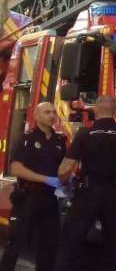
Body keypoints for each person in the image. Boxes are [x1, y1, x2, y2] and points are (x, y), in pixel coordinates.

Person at [55, 94, 116, 271]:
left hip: (88, 193)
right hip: (113, 193)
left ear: (95, 110)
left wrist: (62, 181)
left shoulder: (85, 134)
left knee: (70, 241)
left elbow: (65, 169)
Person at [0, 102, 66, 271]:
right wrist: (45, 179)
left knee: (49, 245)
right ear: (36, 116)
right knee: (16, 242)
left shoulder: (60, 141)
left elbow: (63, 166)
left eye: (53, 112)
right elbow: (16, 168)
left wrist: (67, 178)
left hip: (51, 199)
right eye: (47, 112)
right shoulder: (27, 139)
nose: (52, 115)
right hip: (27, 198)